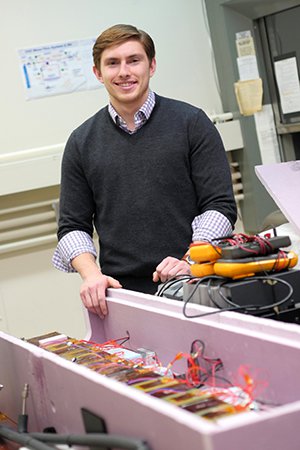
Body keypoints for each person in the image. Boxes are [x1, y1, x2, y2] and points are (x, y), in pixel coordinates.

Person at [52, 24, 237, 318]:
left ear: (151, 66)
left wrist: (190, 259)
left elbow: (219, 205)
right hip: (122, 295)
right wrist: (91, 275)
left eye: (133, 60)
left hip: (194, 283)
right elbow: (72, 225)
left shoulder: (192, 123)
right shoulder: (81, 141)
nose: (124, 71)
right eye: (112, 63)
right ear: (98, 73)